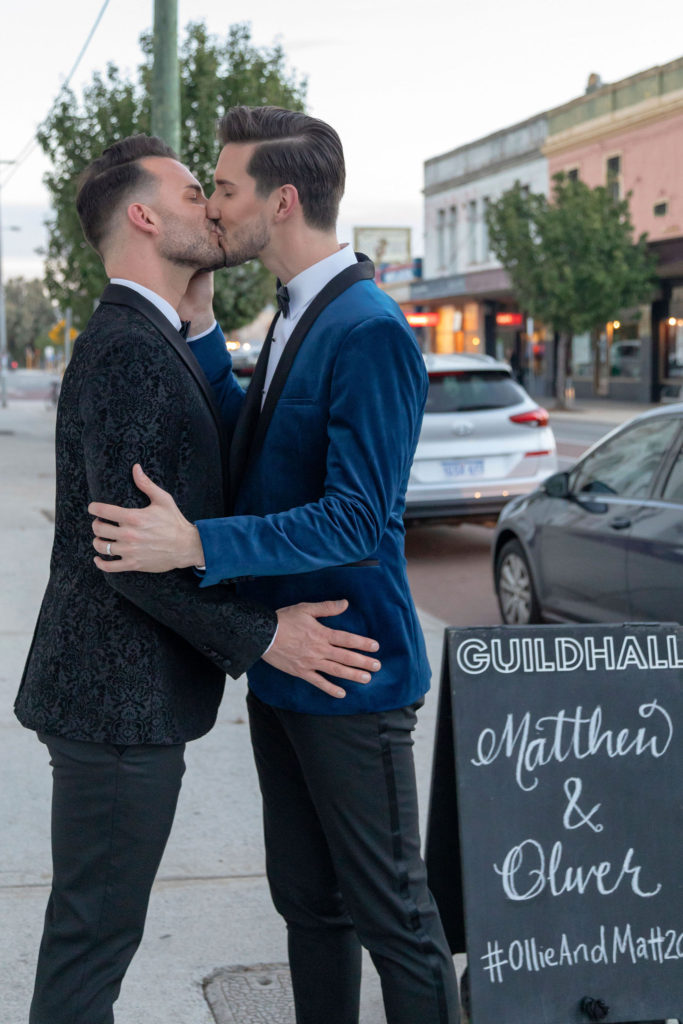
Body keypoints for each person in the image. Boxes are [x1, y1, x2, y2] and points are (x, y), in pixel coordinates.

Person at [90, 107, 460, 1024]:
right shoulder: (298, 312)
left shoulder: (368, 328)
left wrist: (198, 545)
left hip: (353, 674)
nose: (212, 205)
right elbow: (259, 452)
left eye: (223, 186)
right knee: (310, 906)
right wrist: (208, 326)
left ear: (281, 199)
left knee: (396, 919)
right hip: (284, 670)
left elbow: (354, 517)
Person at [14, 134, 381, 1024]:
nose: (210, 208)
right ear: (143, 216)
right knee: (91, 948)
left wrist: (206, 319)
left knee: (96, 939)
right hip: (115, 707)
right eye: (191, 194)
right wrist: (268, 638)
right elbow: (129, 555)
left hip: (126, 706)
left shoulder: (152, 336)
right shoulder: (129, 349)